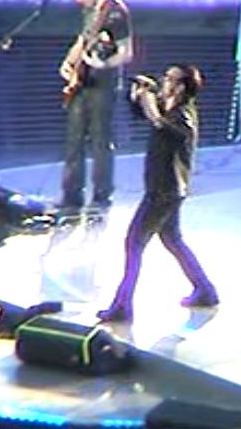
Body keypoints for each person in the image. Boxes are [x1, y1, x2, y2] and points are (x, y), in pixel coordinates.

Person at [96, 64, 219, 322]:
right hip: (165, 189)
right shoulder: (169, 107)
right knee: (172, 240)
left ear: (182, 86)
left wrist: (150, 105)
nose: (165, 81)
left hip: (164, 191)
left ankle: (122, 306)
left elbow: (164, 127)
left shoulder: (183, 115)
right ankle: (205, 290)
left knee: (134, 243)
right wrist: (138, 96)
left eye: (171, 79)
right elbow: (144, 114)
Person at [58, 0, 134, 215]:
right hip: (82, 81)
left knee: (101, 140)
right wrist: (69, 62)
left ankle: (101, 196)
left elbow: (126, 53)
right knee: (74, 140)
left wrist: (104, 64)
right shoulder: (90, 10)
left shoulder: (115, 11)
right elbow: (84, 39)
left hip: (103, 84)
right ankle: (71, 197)